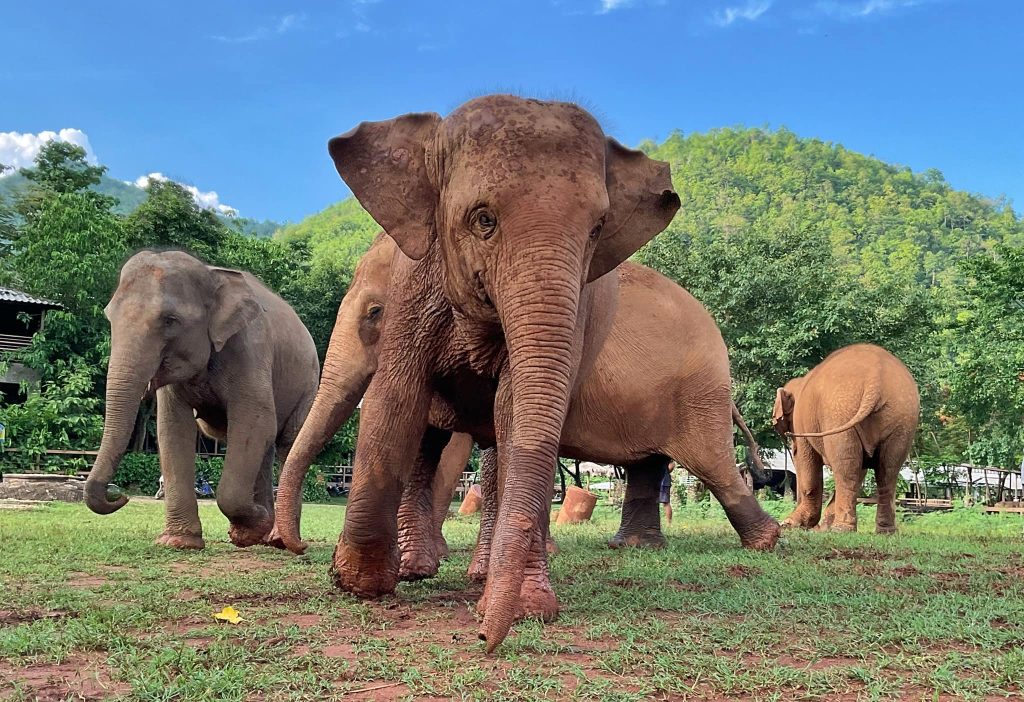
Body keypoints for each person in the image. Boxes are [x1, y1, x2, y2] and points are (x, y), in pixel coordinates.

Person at [659, 461, 676, 525]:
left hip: (664, 482)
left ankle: (669, 523)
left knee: (666, 503)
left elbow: (672, 465)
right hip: (658, 481)